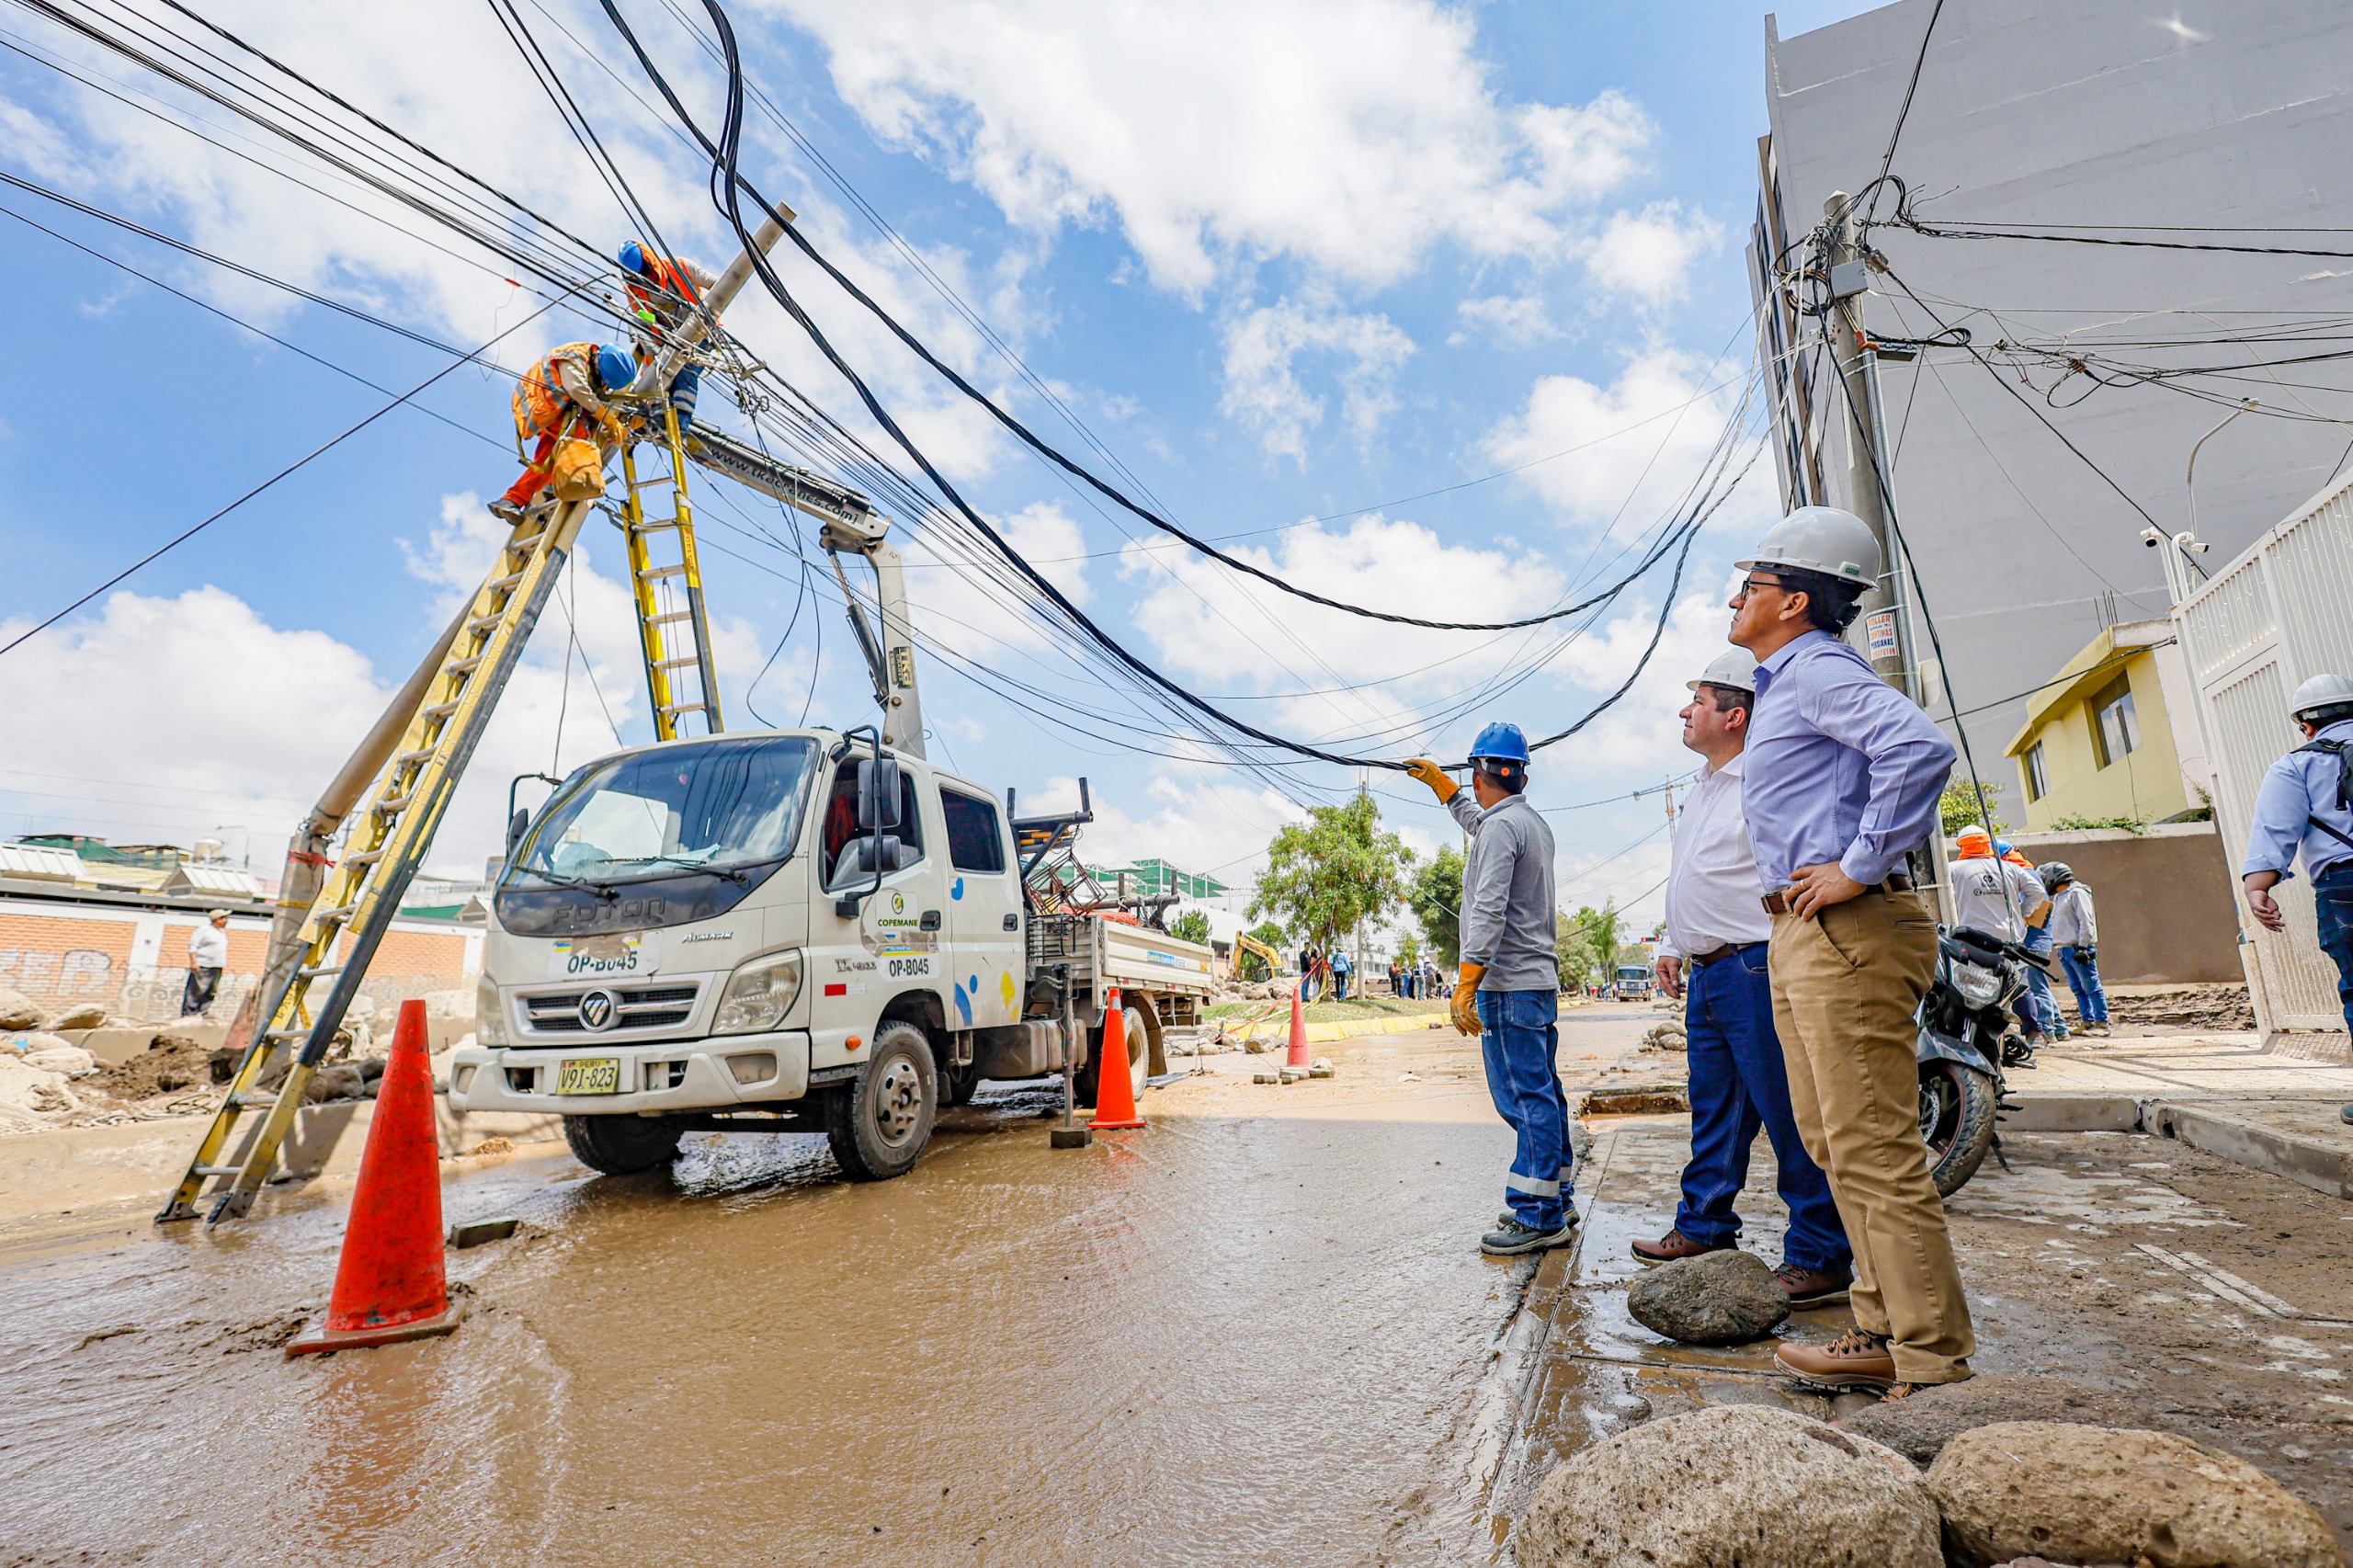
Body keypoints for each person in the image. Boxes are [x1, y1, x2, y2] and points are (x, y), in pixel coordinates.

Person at [1731, 506, 1975, 1397]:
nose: (1735, 597)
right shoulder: (1786, 680)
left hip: (1848, 923)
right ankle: (1879, 1326)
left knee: (1870, 1145)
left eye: (1750, 584)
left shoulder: (1814, 670)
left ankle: (1928, 1356)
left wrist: (1857, 863)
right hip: (1806, 927)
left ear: (1793, 600)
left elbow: (1917, 746)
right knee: (1834, 1140)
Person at [1642, 650, 1853, 1304]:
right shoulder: (1703, 787)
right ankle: (1704, 1226)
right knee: (1716, 1112)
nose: (1685, 709)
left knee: (1789, 1114)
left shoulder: (1766, 781)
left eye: (1698, 700)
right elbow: (1697, 874)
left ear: (1735, 715)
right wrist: (1676, 942)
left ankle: (1821, 1254)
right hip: (1710, 971)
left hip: (1757, 964)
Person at [1406, 722, 1569, 1256]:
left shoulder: (1502, 830)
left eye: (1468, 775)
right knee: (1543, 1093)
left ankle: (1538, 1215)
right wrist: (1443, 790)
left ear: (1481, 772)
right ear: (1520, 774)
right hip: (1535, 983)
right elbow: (1481, 822)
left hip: (1508, 985)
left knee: (1523, 1100)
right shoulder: (1527, 823)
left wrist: (1465, 985)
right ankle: (1555, 1196)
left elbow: (1489, 910)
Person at [2242, 672, 2353, 1126]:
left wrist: (2257, 888)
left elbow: (2275, 833)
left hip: (2345, 887)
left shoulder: (2296, 765)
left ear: (2307, 724)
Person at [491, 342, 637, 524]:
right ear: (598, 362)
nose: (604, 385)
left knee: (549, 458)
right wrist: (607, 419)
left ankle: (512, 500)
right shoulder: (573, 357)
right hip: (539, 404)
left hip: (557, 411)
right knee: (576, 446)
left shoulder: (595, 366)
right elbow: (577, 389)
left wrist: (628, 420)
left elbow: (598, 401)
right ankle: (555, 484)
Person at [1949, 827, 2056, 1044]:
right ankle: (2034, 1033)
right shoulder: (2009, 868)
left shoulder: (1952, 869)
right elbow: (2037, 892)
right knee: (2016, 983)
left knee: (1971, 985)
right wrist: (2024, 913)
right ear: (1988, 843)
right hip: (2009, 939)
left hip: (1971, 940)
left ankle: (1976, 1035)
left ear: (1962, 845)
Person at [619, 242, 720, 435]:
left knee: (685, 373)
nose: (644, 282)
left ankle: (678, 424)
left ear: (651, 266)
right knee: (657, 374)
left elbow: (720, 286)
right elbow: (644, 321)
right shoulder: (635, 292)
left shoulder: (680, 267)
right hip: (666, 342)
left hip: (701, 335)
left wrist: (705, 312)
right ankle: (652, 416)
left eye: (645, 276)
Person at [2002, 839, 2068, 1042]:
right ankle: (2059, 1028)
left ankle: (2046, 1029)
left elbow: (2032, 913)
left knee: (2036, 988)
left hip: (2033, 944)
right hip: (2037, 944)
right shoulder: (2028, 873)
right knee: (2041, 986)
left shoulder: (2024, 876)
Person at [2041, 862, 2109, 1038]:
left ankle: (2102, 1024)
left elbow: (2086, 921)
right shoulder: (2058, 897)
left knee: (2091, 986)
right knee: (2078, 988)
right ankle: (2087, 1022)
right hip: (2063, 949)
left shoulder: (2077, 893)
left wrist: (2083, 946)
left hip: (2077, 948)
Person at [183, 909, 230, 1017]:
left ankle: (203, 1012)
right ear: (217, 919)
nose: (226, 921)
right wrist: (194, 962)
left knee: (211, 991)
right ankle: (190, 1013)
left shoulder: (221, 933)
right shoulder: (203, 930)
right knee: (196, 990)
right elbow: (193, 947)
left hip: (216, 967)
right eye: (224, 918)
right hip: (203, 965)